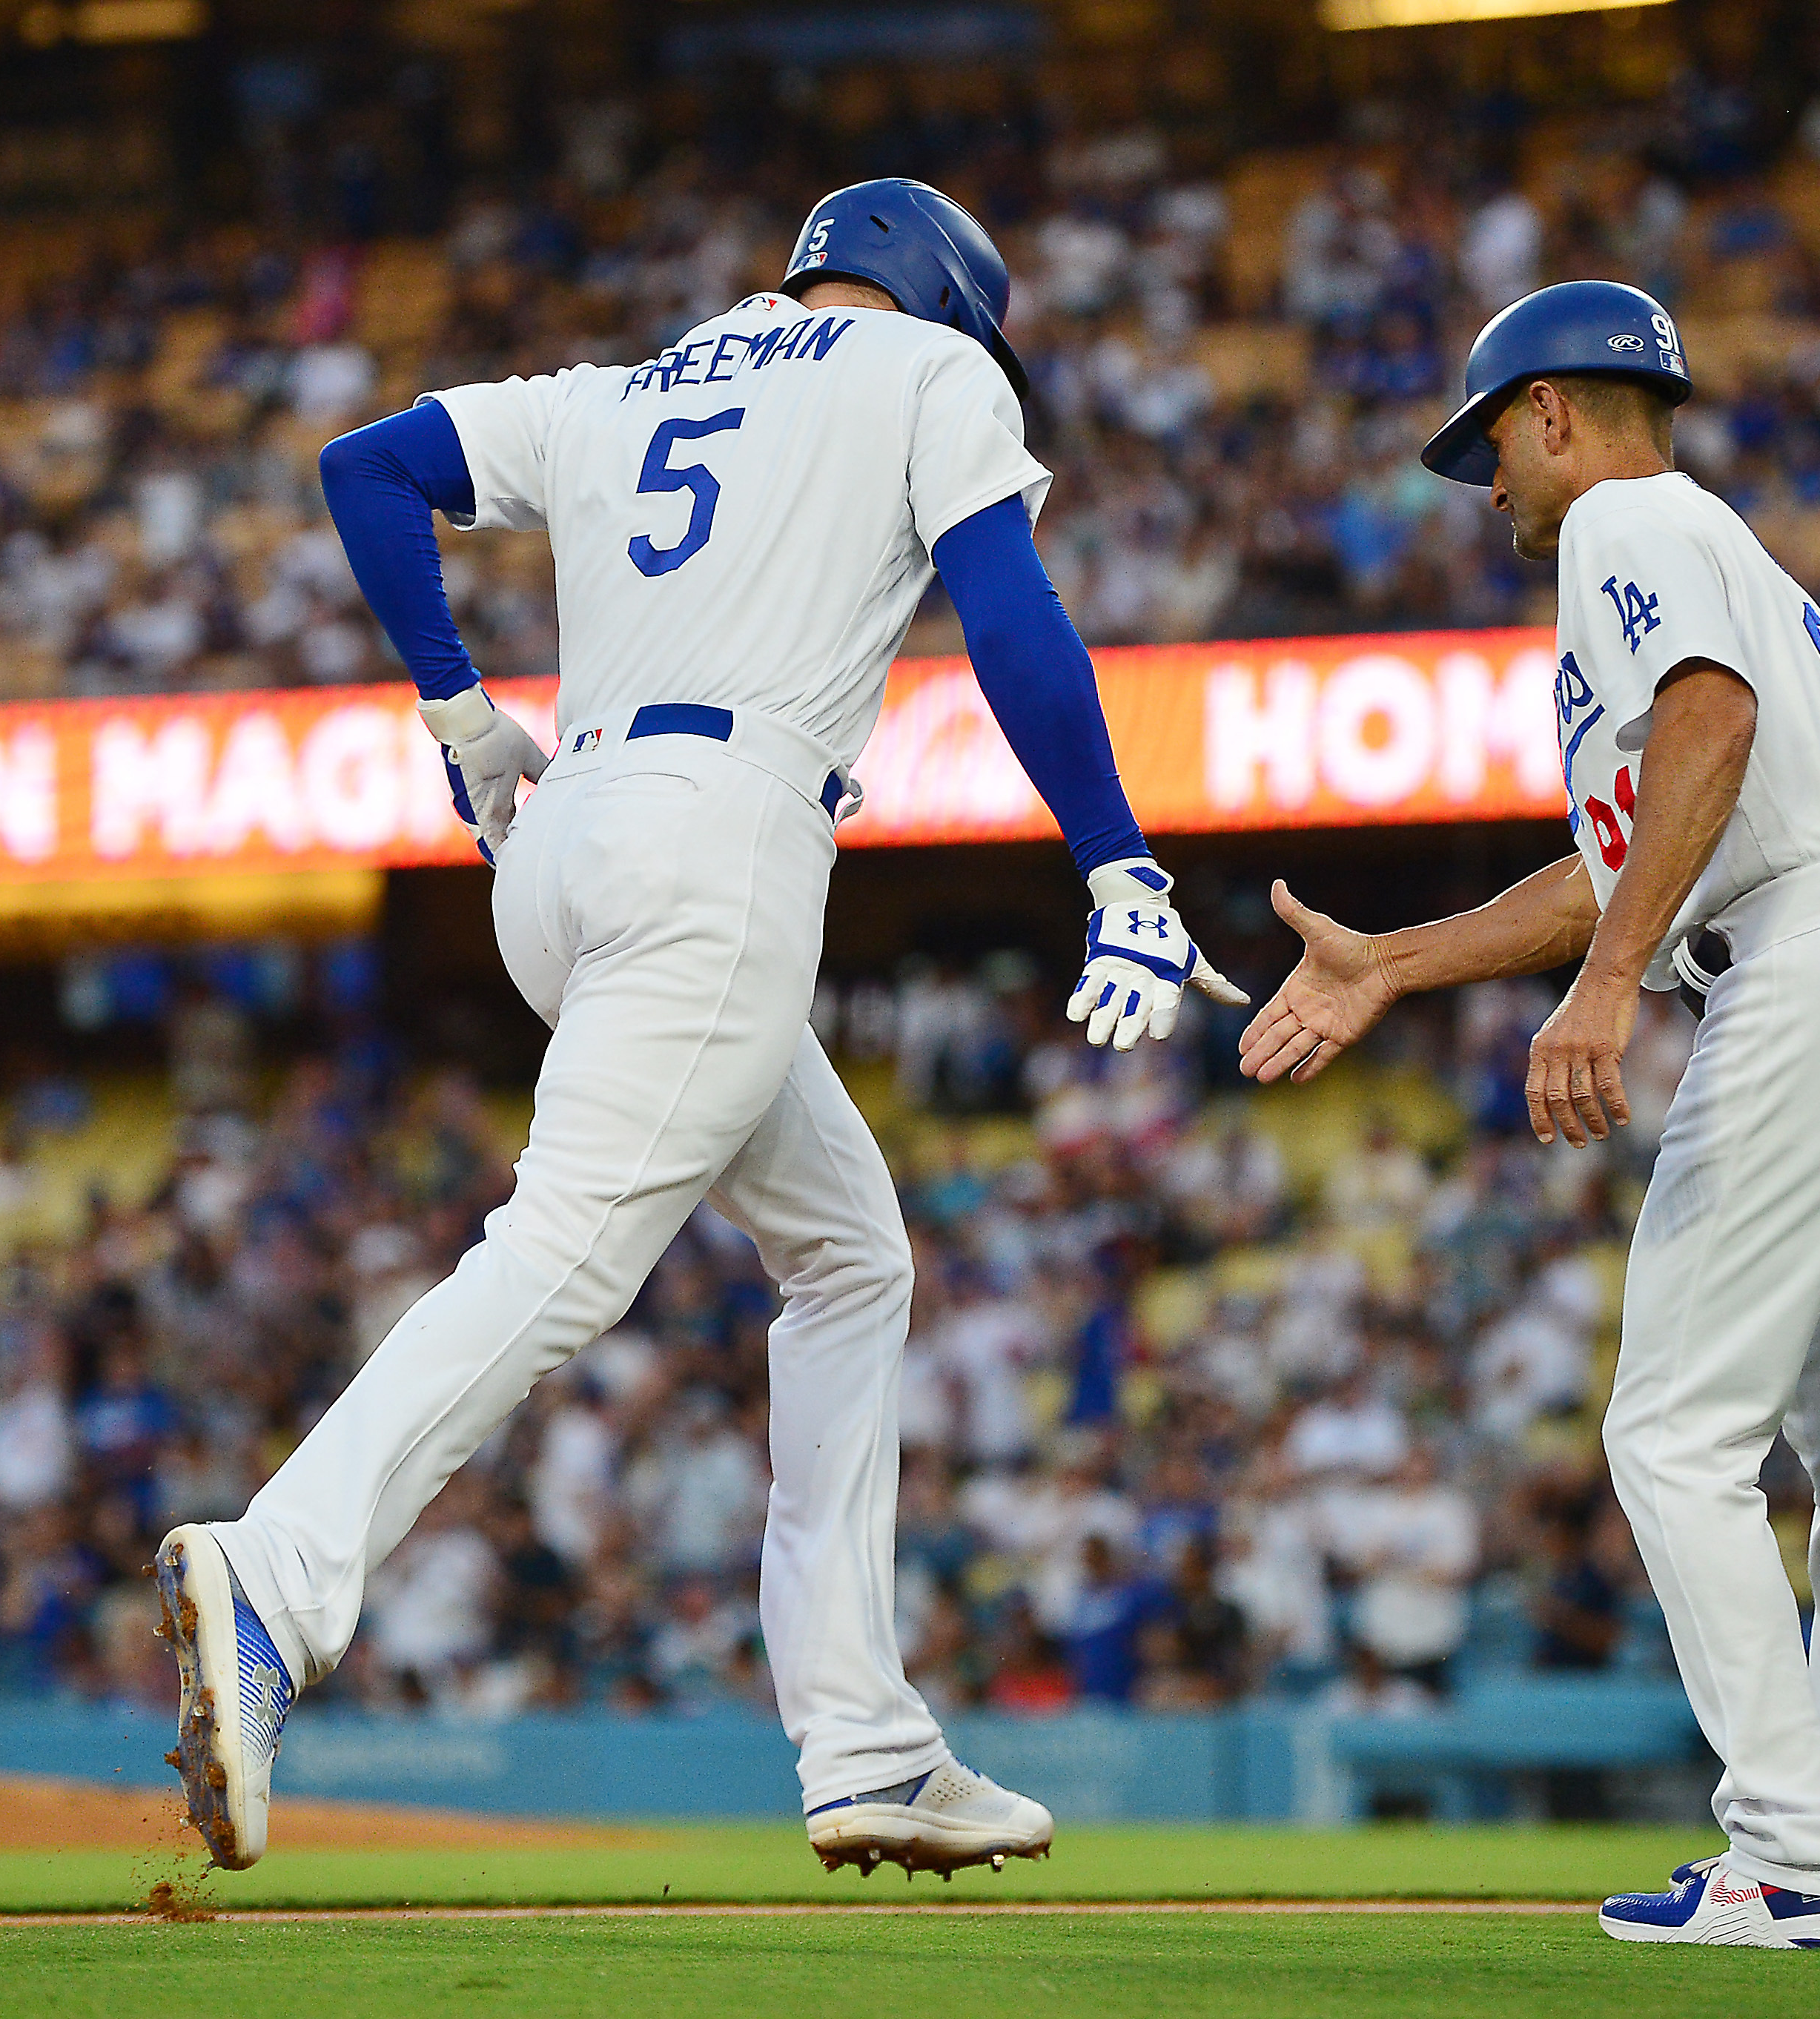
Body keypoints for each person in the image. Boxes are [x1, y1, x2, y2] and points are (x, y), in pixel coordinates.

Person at [155, 179, 1243, 1874]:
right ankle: (278, 1580)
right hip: (717, 842)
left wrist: (456, 707)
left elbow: (363, 467)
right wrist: (1116, 861)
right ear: (945, 297)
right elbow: (1011, 614)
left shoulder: (615, 389)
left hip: (563, 842)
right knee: (563, 1258)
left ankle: (867, 1744)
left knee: (850, 1258)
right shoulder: (929, 375)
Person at [1241, 279, 1820, 1949]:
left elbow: (1705, 725)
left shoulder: (1622, 520)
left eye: (1487, 447)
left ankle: (1795, 1846)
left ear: (1552, 412)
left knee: (1669, 1432)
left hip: (1811, 979)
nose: (1486, 485)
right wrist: (1391, 956)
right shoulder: (1714, 544)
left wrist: (1601, 985)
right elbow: (1628, 847)